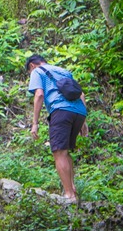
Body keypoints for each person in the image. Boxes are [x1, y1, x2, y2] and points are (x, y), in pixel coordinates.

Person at [25, 54, 89, 203]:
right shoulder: (64, 71)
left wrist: (35, 123)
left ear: (32, 66)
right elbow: (81, 94)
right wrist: (84, 121)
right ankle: (72, 189)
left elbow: (39, 94)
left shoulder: (37, 71)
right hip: (79, 112)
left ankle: (69, 196)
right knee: (65, 152)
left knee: (59, 152)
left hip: (61, 111)